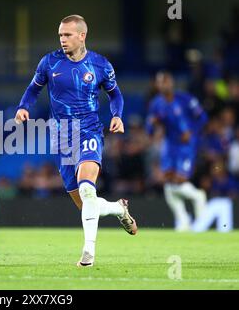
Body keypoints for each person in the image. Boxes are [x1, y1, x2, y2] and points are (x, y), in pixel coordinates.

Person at [15, 15, 137, 267]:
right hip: (61, 137)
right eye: (60, 35)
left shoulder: (100, 65)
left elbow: (116, 95)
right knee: (85, 203)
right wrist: (23, 107)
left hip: (90, 130)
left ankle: (88, 253)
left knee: (86, 188)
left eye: (67, 35)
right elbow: (33, 89)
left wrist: (117, 116)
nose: (62, 39)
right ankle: (117, 209)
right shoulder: (49, 62)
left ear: (82, 36)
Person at [146, 71, 208, 231]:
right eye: (160, 82)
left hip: (187, 146)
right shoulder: (156, 104)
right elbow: (149, 129)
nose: (163, 84)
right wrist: (153, 124)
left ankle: (198, 199)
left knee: (180, 179)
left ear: (171, 83)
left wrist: (192, 131)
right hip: (170, 145)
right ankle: (183, 220)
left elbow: (203, 118)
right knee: (167, 181)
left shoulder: (185, 99)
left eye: (165, 81)